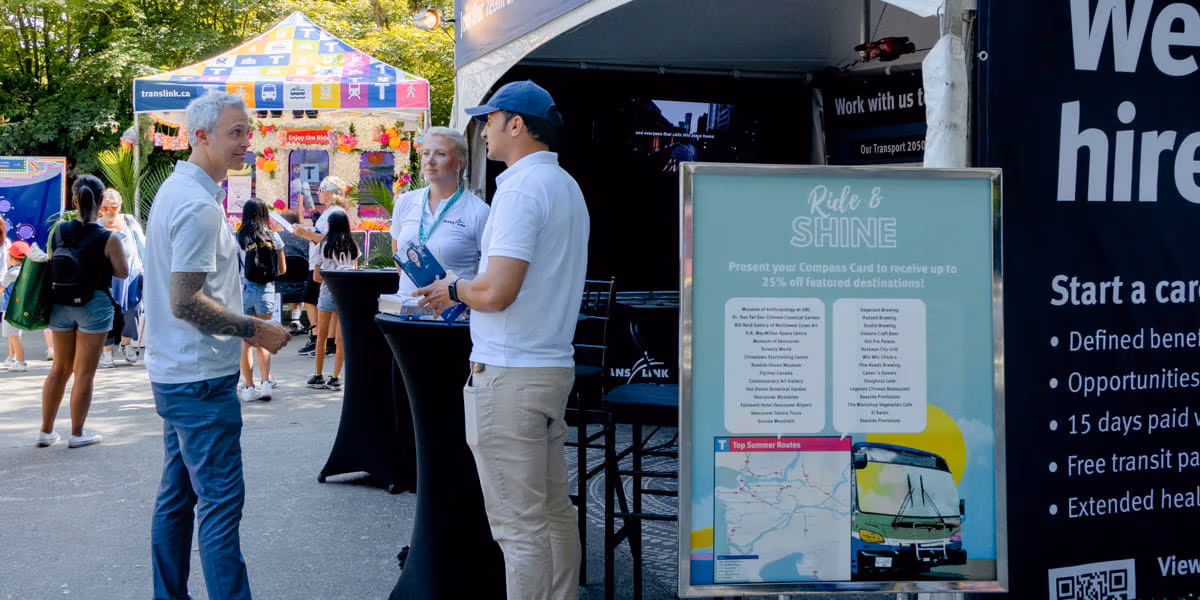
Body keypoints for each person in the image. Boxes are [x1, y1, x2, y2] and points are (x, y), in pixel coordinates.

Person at [414, 80, 589, 600]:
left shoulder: (518, 188)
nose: (482, 131)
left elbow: (497, 291)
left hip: (510, 374)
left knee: (519, 527)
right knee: (553, 512)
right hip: (549, 366)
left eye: (488, 120)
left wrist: (453, 288)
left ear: (516, 123)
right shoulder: (566, 185)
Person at [143, 91, 290, 600]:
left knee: (178, 498)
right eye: (235, 133)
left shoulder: (182, 191)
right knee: (219, 507)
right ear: (200, 136)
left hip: (181, 373)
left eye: (247, 131)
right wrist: (256, 329)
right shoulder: (196, 204)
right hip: (199, 379)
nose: (246, 142)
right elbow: (185, 301)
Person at [39, 174, 129, 448]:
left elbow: (53, 262)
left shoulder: (60, 230)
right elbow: (122, 273)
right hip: (94, 305)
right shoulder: (109, 237)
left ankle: (46, 432)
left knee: (59, 368)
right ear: (102, 202)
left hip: (61, 304)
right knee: (84, 372)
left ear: (75, 200)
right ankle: (77, 433)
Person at [389, 126, 489, 299]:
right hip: (407, 316)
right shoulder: (405, 203)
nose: (430, 161)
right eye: (426, 153)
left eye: (440, 154)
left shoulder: (478, 212)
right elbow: (399, 258)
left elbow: (489, 273)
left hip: (450, 321)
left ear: (460, 162)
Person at [293, 177, 353, 356]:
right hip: (320, 260)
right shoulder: (331, 212)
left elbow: (331, 239)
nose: (318, 193)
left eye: (322, 189)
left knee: (314, 301)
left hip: (324, 262)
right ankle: (322, 339)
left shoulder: (335, 212)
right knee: (315, 301)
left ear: (331, 192)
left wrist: (305, 233)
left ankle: (321, 339)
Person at [236, 198, 286, 402]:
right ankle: (266, 384)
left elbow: (232, 267)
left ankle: (249, 387)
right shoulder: (273, 236)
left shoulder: (239, 236)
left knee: (246, 342)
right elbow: (282, 269)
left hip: (245, 289)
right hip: (266, 290)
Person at [306, 211, 358, 390]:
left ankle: (318, 375)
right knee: (341, 338)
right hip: (347, 293)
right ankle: (336, 377)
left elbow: (316, 276)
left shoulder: (323, 245)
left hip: (328, 290)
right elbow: (354, 270)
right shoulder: (352, 245)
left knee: (322, 336)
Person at [98, 188, 146, 368]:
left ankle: (126, 344)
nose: (110, 212)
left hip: (131, 273)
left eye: (114, 207)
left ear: (120, 206)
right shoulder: (97, 225)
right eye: (105, 208)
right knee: (108, 312)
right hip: (107, 277)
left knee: (132, 309)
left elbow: (142, 245)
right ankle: (107, 352)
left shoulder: (129, 221)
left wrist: (147, 267)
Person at [1, 240, 30, 372]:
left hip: (10, 310)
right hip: (20, 309)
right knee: (14, 334)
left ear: (12, 258)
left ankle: (21, 362)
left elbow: (1, 289)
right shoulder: (26, 272)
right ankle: (11, 358)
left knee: (14, 336)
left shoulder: (11, 273)